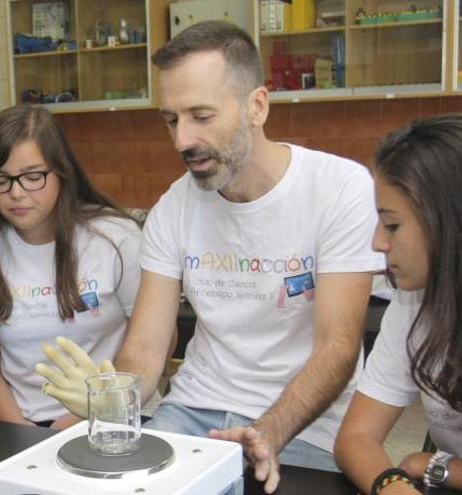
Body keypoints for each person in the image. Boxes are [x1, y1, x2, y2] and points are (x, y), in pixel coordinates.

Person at [37, 20, 384, 493]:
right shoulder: (172, 210)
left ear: (257, 105)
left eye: (201, 116)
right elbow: (146, 348)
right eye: (171, 120)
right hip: (191, 411)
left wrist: (269, 432)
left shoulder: (339, 190)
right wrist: (108, 405)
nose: (182, 140)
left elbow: (338, 348)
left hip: (304, 427)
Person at [334, 113, 462, 495]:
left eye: (391, 225)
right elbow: (355, 437)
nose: (377, 243)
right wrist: (391, 484)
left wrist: (438, 466)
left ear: (456, 220)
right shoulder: (412, 304)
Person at [0, 105, 155, 429]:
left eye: (33, 177)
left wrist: (81, 414)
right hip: (20, 426)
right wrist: (21, 432)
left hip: (113, 417)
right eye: (1, 180)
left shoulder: (115, 239)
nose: (16, 193)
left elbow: (154, 343)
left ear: (62, 172)